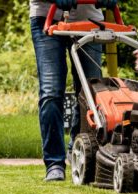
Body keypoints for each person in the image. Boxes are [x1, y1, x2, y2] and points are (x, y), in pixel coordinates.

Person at [30, 0, 104, 181]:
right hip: (47, 17)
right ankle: (54, 162)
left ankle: (80, 149)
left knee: (90, 93)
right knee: (51, 92)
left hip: (90, 21)